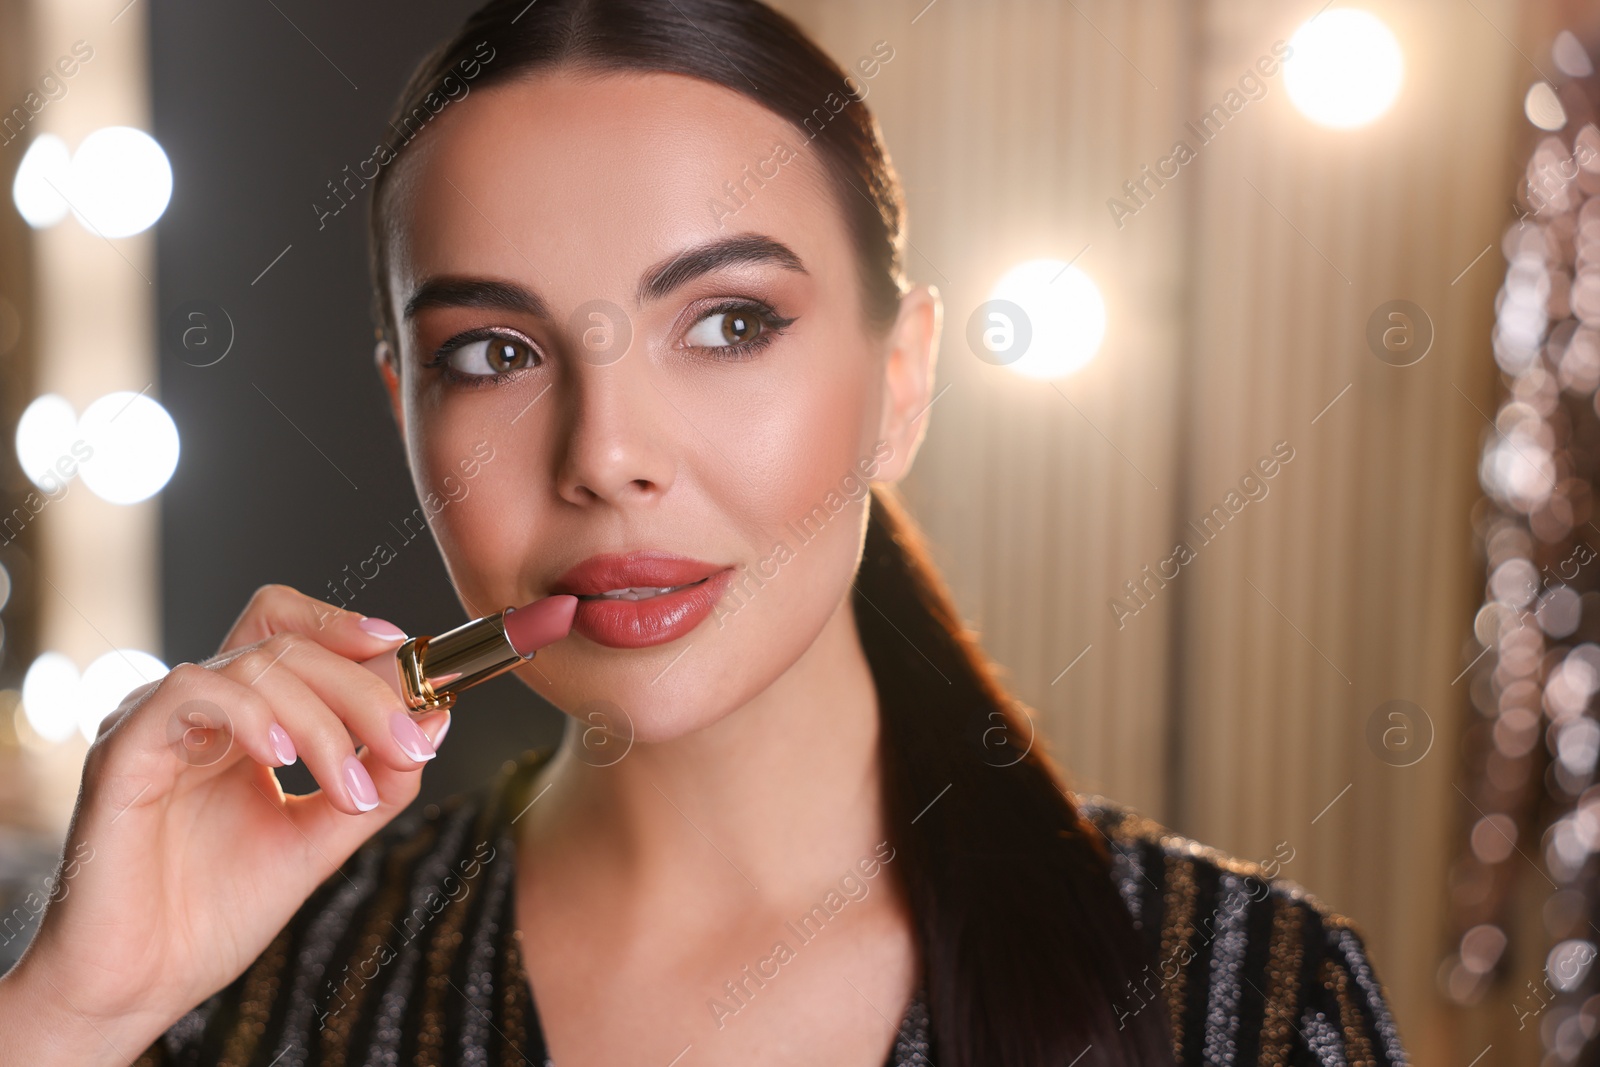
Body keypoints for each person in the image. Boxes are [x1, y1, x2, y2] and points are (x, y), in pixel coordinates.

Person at [0, 0, 1408, 1063]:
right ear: (403, 415)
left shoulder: (1255, 1002)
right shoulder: (281, 996)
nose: (606, 456)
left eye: (730, 324)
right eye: (494, 354)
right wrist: (75, 1014)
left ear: (899, 384)